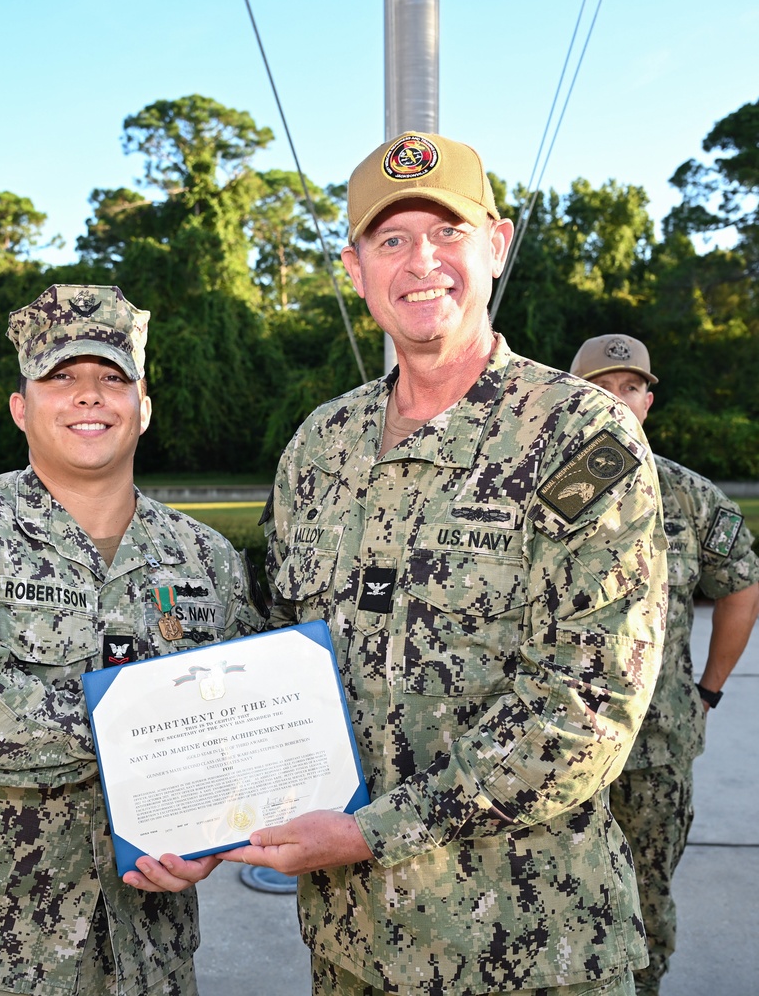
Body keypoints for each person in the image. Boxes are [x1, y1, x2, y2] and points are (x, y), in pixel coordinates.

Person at [221, 132, 668, 996]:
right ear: (355, 270)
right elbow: (278, 654)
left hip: (529, 947)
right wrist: (207, 810)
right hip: (352, 948)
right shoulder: (320, 446)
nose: (421, 261)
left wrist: (370, 831)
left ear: (495, 246)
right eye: (391, 240)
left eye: (447, 232)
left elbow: (589, 707)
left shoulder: (578, 435)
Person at [0, 284, 267, 996]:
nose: (88, 396)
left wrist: (219, 833)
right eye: (61, 377)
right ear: (21, 408)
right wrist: (175, 734)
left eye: (112, 378)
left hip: (149, 953)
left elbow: (249, 731)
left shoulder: (205, 557)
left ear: (142, 408)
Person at [569, 333, 759, 995]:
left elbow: (740, 586)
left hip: (655, 748)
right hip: (549, 746)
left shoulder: (689, 496)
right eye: (601, 387)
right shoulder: (536, 496)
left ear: (649, 399)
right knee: (547, 901)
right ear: (573, 398)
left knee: (644, 899)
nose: (618, 399)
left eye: (631, 386)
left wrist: (707, 691)